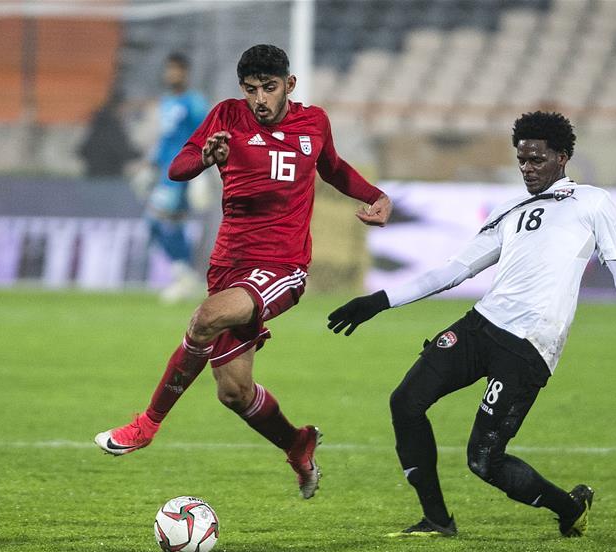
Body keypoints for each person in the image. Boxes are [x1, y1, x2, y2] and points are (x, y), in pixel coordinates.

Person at [327, 111, 616, 536]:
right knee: (406, 401)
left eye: (537, 159)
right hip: (482, 326)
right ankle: (436, 520)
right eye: (522, 160)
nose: (528, 168)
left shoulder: (591, 201)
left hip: (530, 344)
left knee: (483, 460)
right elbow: (454, 270)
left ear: (562, 158)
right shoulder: (510, 207)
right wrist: (380, 301)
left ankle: (569, 508)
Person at [95, 44, 393, 500]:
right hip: (228, 265)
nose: (260, 99)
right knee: (233, 392)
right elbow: (177, 168)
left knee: (205, 318)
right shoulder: (227, 116)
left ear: (288, 86)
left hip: (282, 266)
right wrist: (205, 158)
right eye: (251, 89)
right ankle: (297, 443)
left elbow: (332, 168)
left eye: (269, 88)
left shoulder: (314, 123)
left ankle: (147, 424)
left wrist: (376, 196)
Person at [147, 52, 210, 303]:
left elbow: (206, 132)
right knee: (172, 223)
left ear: (185, 72)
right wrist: (150, 164)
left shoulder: (193, 102)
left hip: (182, 172)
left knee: (154, 219)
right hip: (164, 171)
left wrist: (200, 174)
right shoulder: (166, 102)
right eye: (169, 69)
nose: (172, 74)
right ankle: (185, 276)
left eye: (177, 69)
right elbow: (166, 139)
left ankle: (184, 275)